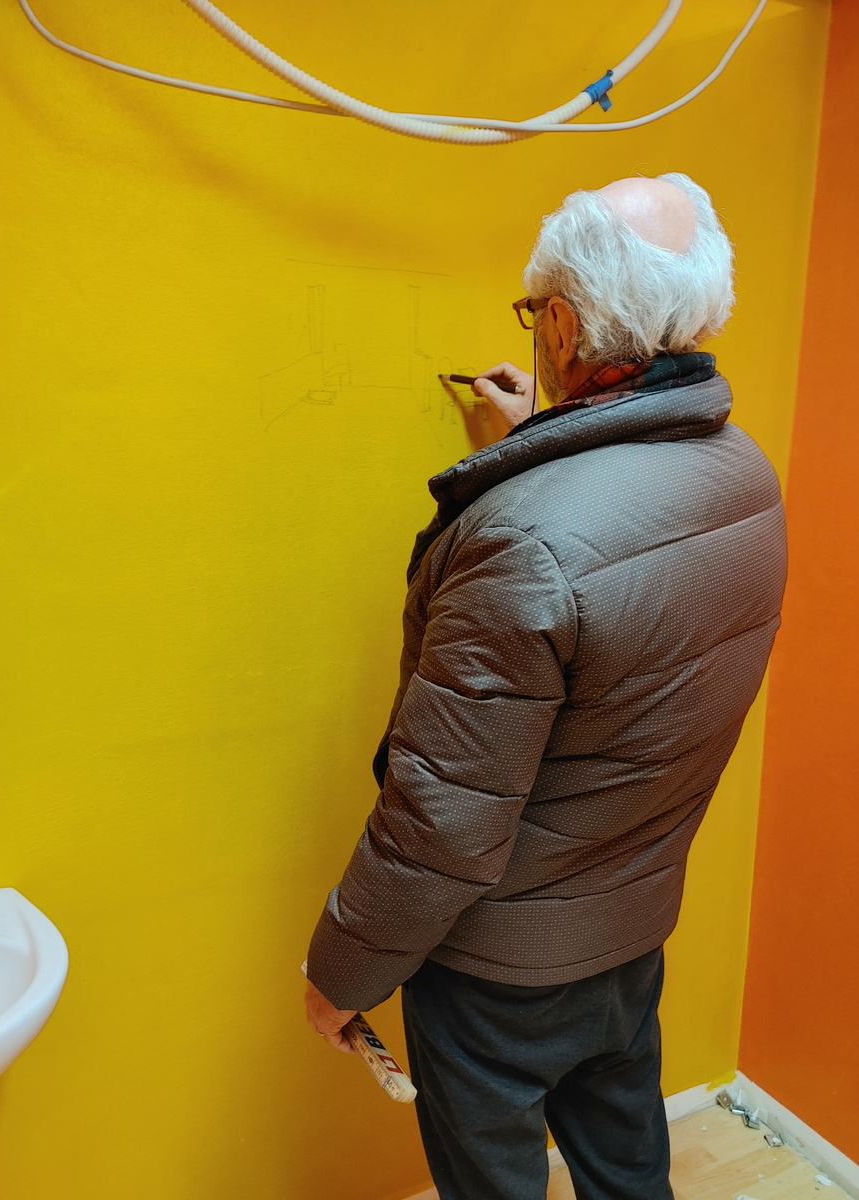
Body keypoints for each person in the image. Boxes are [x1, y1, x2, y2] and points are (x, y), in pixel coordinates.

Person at [304, 173, 787, 1200]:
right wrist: (535, 444)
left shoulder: (524, 544)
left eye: (537, 315)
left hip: (498, 976)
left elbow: (442, 819)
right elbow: (623, 623)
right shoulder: (746, 475)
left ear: (563, 326)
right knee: (627, 1171)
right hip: (630, 932)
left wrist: (341, 974)